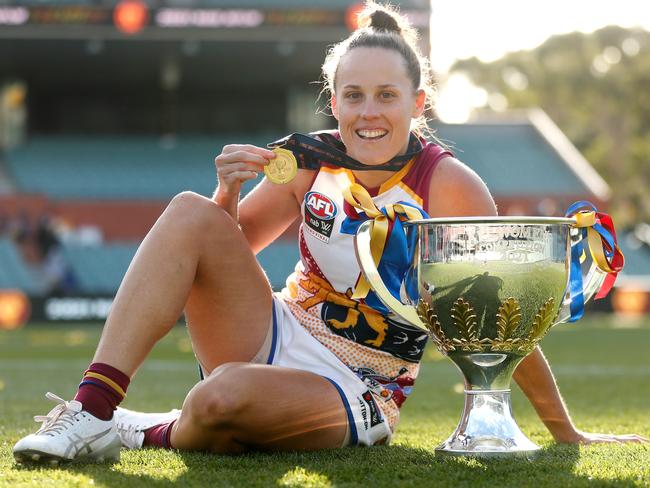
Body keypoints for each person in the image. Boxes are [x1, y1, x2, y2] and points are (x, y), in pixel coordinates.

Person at [13, 2, 646, 464]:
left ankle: (140, 430)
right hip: (278, 329)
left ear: (417, 103)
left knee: (218, 401)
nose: (369, 112)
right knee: (189, 210)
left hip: (361, 382)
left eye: (386, 96)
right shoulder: (312, 159)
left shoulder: (449, 186)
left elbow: (498, 320)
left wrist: (566, 433)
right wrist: (226, 195)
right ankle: (92, 409)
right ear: (333, 101)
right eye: (353, 96)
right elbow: (222, 249)